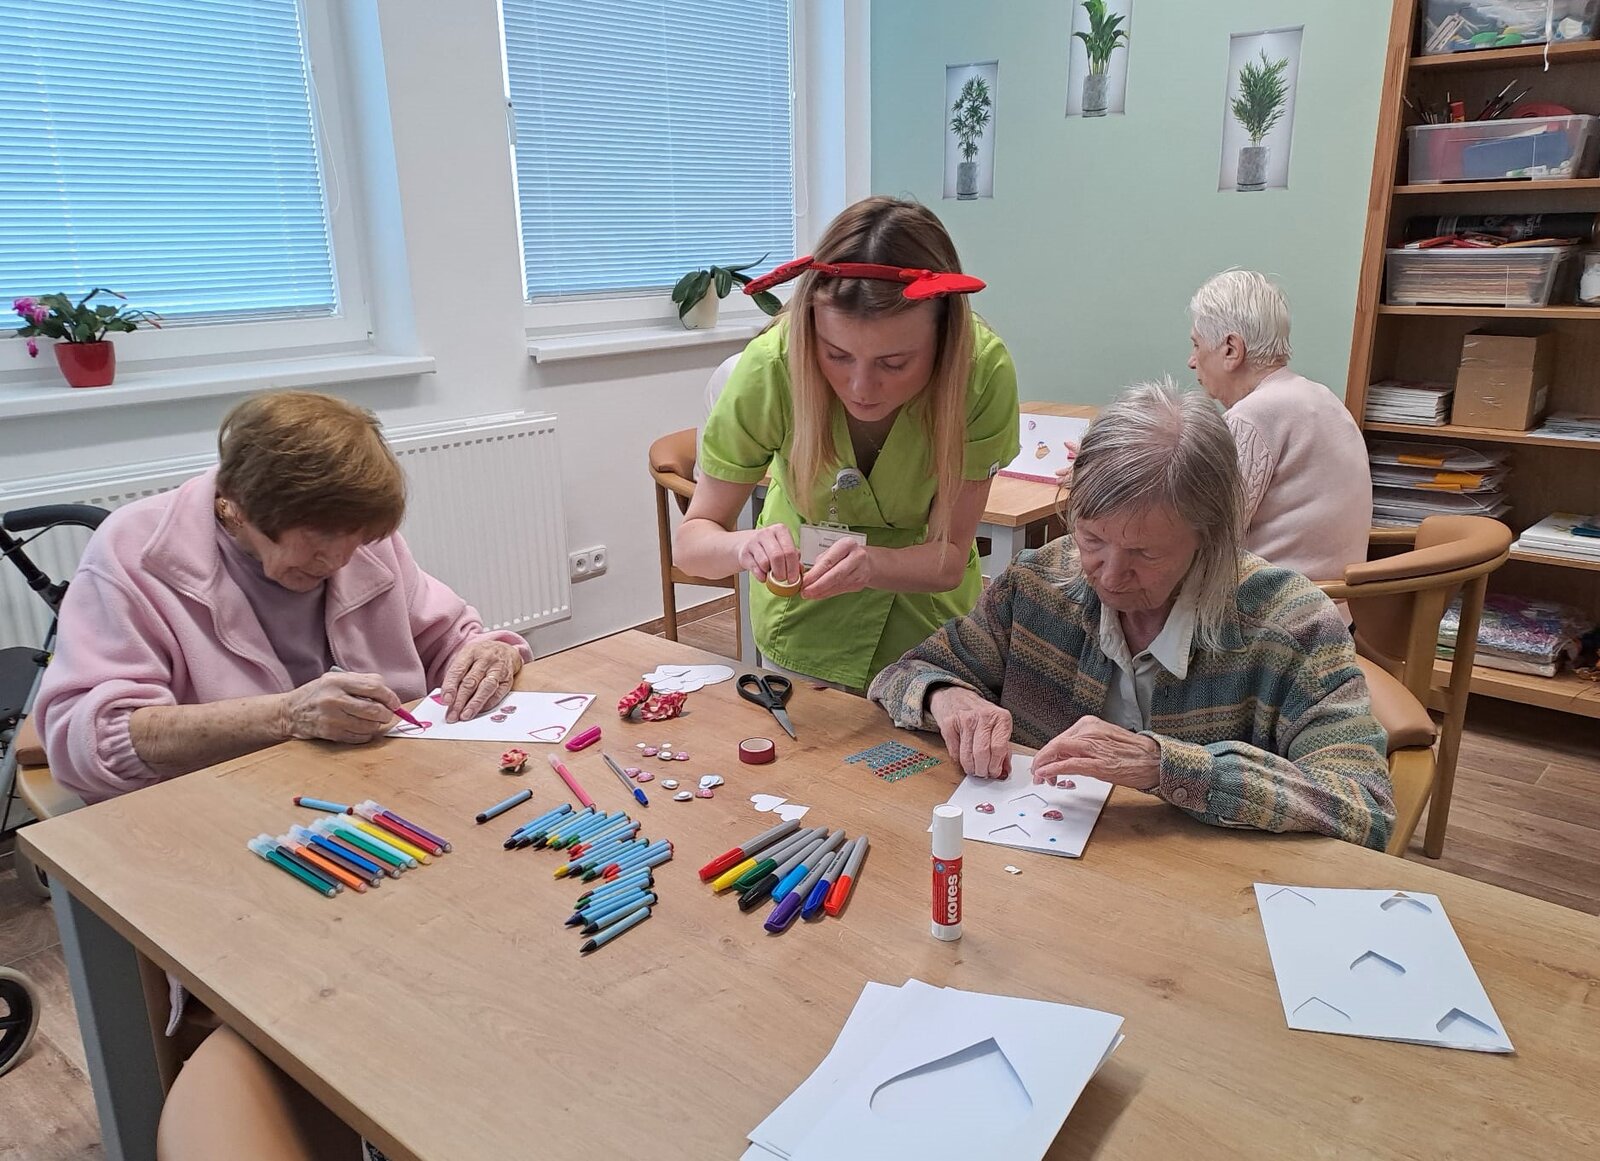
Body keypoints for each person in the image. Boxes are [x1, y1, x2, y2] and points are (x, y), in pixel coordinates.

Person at [870, 380, 1394, 850]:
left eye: (1146, 553)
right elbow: (903, 674)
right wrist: (946, 696)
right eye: (1091, 538)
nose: (1111, 575)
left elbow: (1362, 807)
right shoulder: (1036, 585)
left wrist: (1163, 766)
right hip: (1033, 883)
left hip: (1197, 899)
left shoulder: (1292, 626)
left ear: (1209, 539)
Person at [35, 391, 533, 804]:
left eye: (357, 540)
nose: (339, 561)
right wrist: (285, 715)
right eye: (317, 542)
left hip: (371, 787)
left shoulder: (357, 538)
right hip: (217, 805)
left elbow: (449, 638)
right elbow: (92, 741)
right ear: (239, 508)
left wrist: (488, 652)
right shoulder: (134, 553)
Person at [677, 196, 1021, 691]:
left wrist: (873, 564)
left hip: (926, 633)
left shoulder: (979, 372)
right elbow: (693, 544)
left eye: (894, 363)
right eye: (836, 355)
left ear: (944, 339)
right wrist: (743, 545)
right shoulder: (772, 367)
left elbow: (947, 557)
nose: (861, 388)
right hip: (804, 625)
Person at [1187, 269, 1372, 587]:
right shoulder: (1321, 397)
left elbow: (1207, 540)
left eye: (1196, 344)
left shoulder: (1251, 417)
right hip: (1334, 605)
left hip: (1276, 609)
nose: (1192, 361)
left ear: (1231, 349)